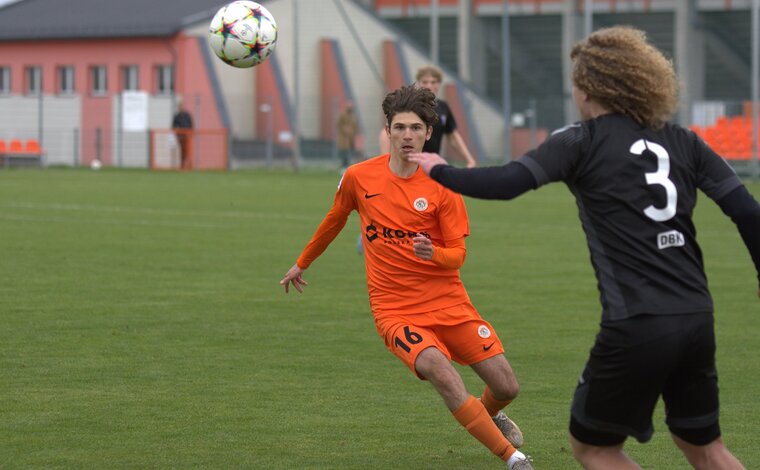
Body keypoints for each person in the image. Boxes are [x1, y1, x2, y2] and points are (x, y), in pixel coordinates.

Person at [410, 26, 759, 470]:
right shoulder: (683, 140)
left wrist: (442, 170)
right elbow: (749, 213)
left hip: (637, 322)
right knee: (705, 448)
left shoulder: (581, 139)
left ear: (588, 86)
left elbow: (508, 182)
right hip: (696, 319)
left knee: (593, 447)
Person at [280, 84, 533, 470]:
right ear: (388, 129)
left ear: (429, 133)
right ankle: (513, 458)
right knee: (441, 372)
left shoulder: (445, 185)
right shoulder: (359, 177)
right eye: (399, 127)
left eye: (416, 128)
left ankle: (487, 415)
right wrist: (303, 261)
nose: (407, 136)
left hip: (450, 304)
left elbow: (458, 257)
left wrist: (435, 254)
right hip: (395, 310)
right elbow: (334, 220)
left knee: (506, 386)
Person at [379, 65, 477, 169]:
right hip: (410, 165)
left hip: (431, 165)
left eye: (433, 82)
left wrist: (469, 159)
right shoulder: (411, 107)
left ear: (439, 84)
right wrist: (385, 161)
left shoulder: (443, 107)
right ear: (419, 83)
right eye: (425, 82)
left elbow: (453, 136)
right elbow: (386, 133)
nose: (429, 85)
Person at [336, 101, 359, 170]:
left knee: (350, 153)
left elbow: (355, 127)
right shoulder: (343, 115)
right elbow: (339, 124)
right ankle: (343, 166)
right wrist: (345, 130)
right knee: (344, 153)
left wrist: (354, 133)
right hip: (344, 139)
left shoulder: (353, 116)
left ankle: (348, 166)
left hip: (351, 139)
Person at [171, 101, 193, 170]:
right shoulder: (176, 116)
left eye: (182, 106)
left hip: (188, 136)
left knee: (188, 151)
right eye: (179, 106)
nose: (181, 108)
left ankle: (189, 166)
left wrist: (191, 133)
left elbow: (191, 125)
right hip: (180, 136)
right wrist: (176, 135)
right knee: (182, 151)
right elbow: (173, 126)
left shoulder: (187, 115)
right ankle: (182, 166)